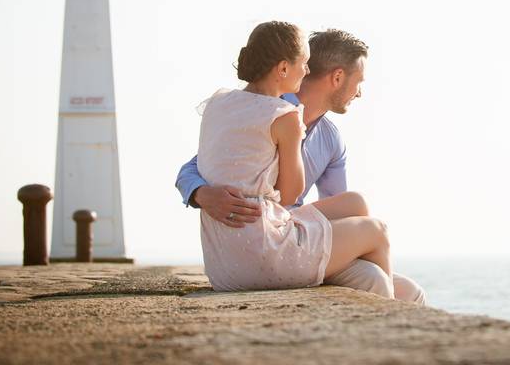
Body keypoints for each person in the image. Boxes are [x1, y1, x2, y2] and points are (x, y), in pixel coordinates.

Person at [177, 28, 426, 303]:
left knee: (408, 284)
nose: (360, 94)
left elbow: (340, 216)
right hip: (267, 236)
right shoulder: (269, 109)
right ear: (338, 77)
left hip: (292, 226)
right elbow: (194, 167)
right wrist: (201, 193)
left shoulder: (330, 139)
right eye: (359, 82)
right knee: (374, 276)